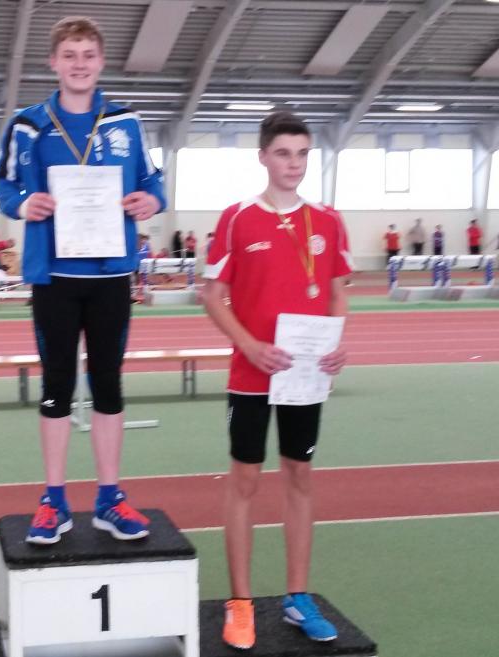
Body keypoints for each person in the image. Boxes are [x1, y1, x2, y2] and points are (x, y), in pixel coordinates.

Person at [0, 16, 165, 545]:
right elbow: (4, 181)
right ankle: (54, 500)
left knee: (108, 383)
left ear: (101, 61)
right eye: (69, 54)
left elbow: (152, 178)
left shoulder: (126, 122)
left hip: (111, 273)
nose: (79, 64)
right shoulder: (27, 125)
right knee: (57, 387)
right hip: (55, 276)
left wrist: (152, 199)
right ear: (54, 62)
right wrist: (23, 204)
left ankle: (110, 498)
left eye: (88, 54)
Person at [203, 111, 351, 650]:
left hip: (305, 377)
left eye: (303, 154)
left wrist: (337, 342)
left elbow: (337, 291)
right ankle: (240, 602)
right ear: (263, 157)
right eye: (284, 153)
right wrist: (248, 345)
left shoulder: (328, 220)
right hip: (251, 374)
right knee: (244, 481)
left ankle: (298, 597)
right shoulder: (238, 218)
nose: (294, 164)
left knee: (299, 477)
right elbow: (211, 296)